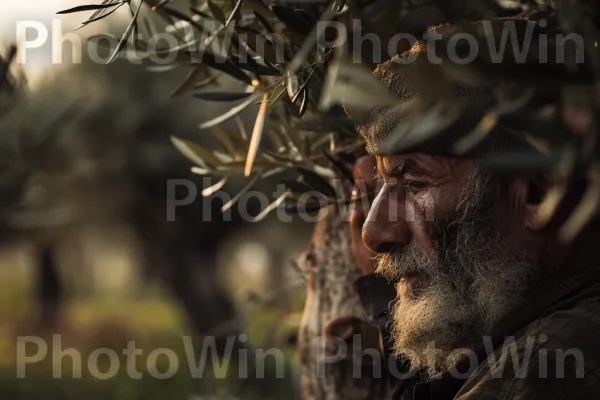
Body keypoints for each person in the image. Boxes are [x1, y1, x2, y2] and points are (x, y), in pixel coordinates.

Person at [346, 20, 600, 399]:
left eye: (414, 184)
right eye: (383, 185)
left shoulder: (541, 371)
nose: (373, 232)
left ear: (537, 193)